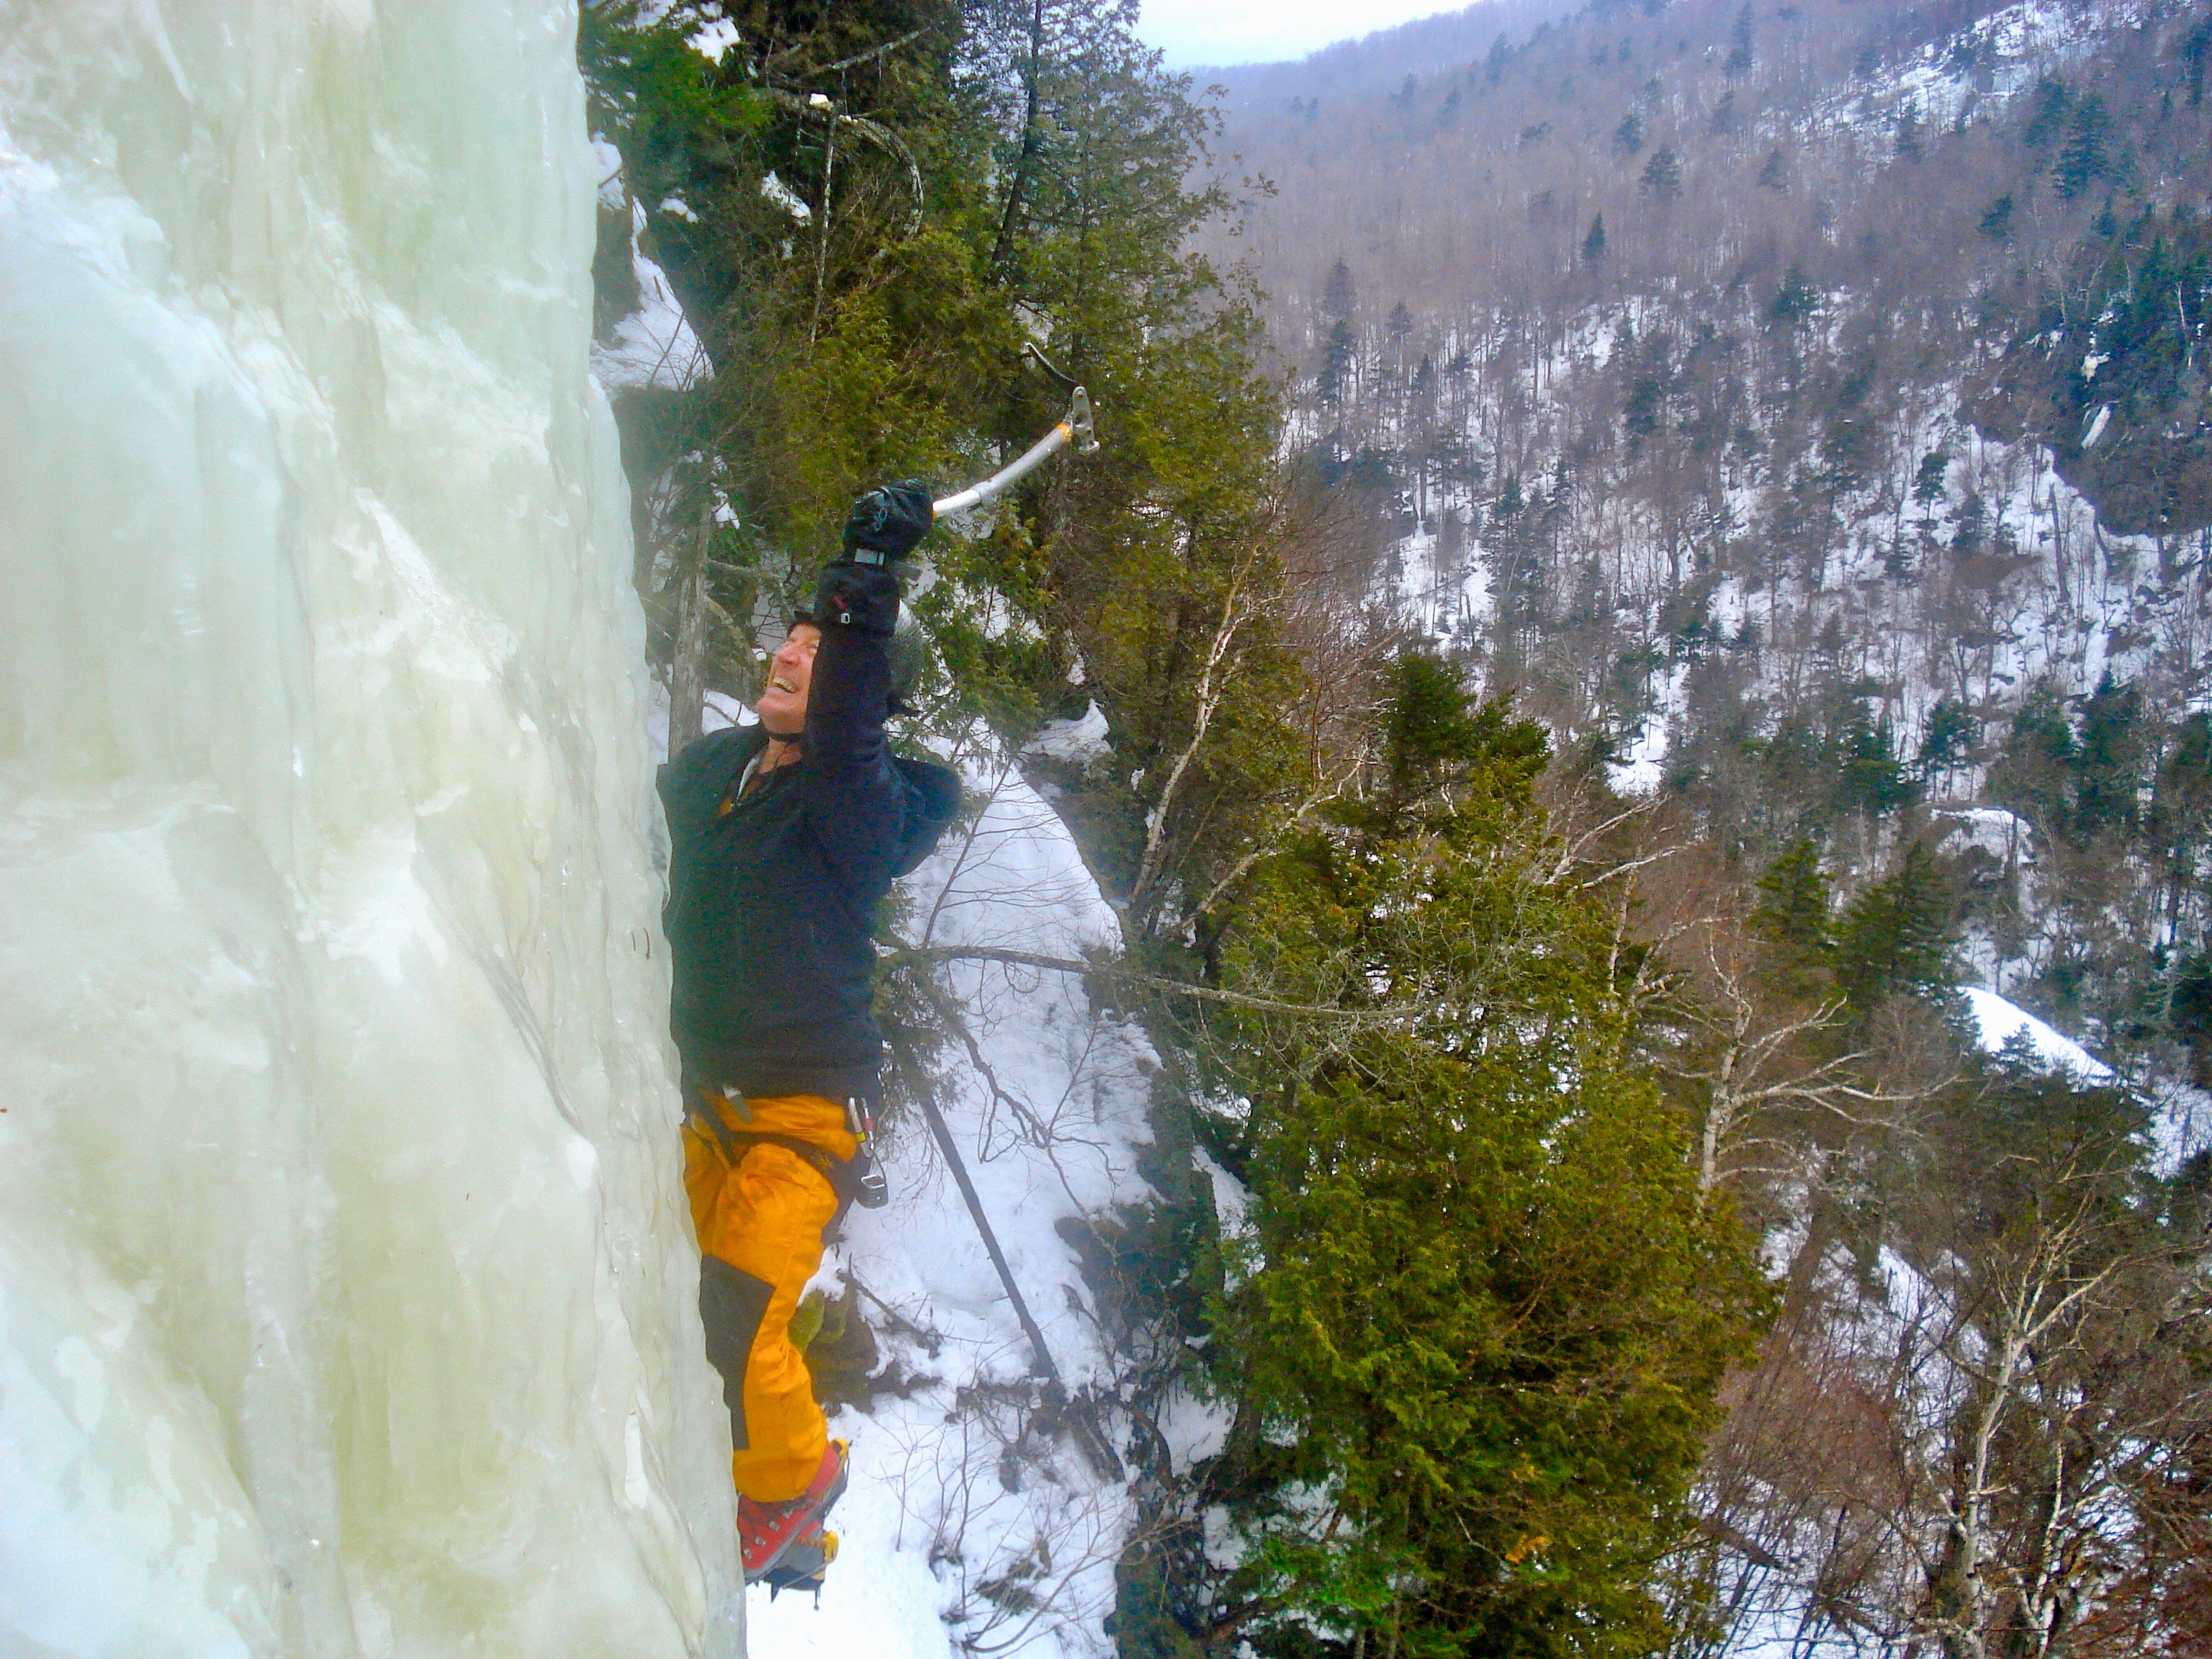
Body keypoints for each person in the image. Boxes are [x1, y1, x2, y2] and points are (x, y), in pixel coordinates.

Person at [657, 481, 959, 1584]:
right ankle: (778, 1517)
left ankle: (791, 1495)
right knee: (682, 1313)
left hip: (800, 1122)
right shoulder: (712, 778)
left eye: (816, 652)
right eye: (788, 643)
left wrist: (864, 582)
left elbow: (846, 739)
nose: (791, 658)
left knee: (738, 1315)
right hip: (699, 1103)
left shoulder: (869, 809)